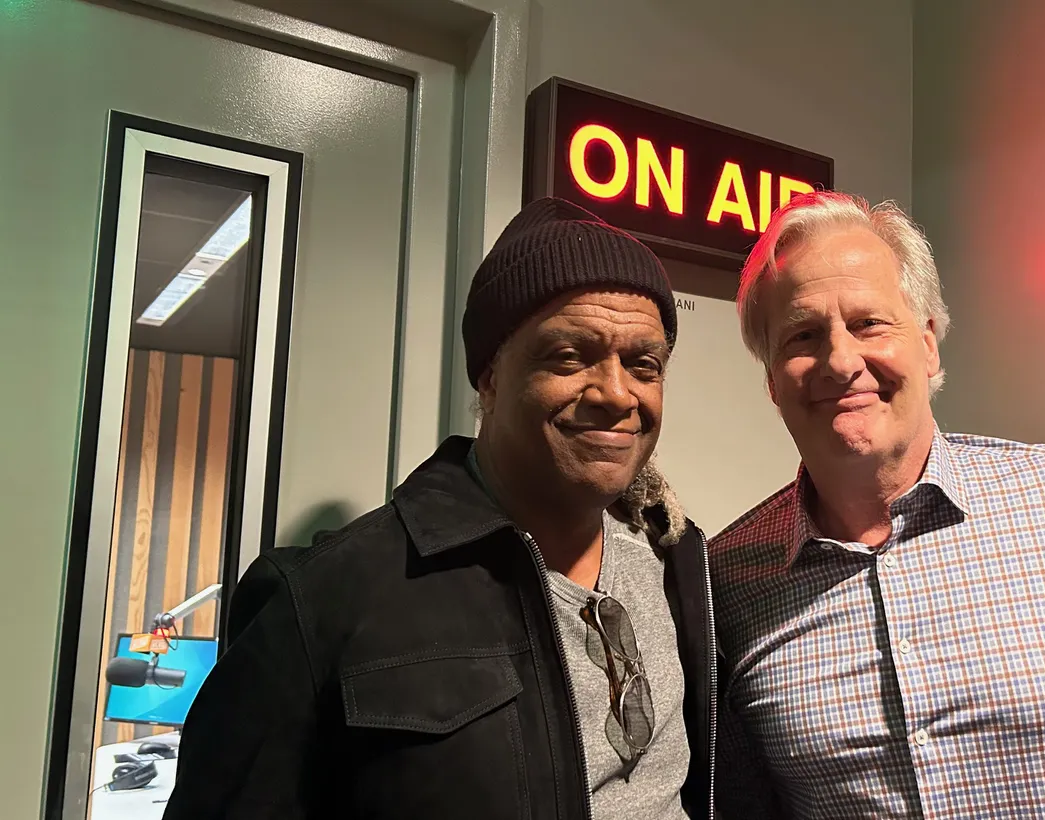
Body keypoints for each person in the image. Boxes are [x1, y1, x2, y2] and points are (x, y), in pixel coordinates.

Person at [165, 197, 716, 820]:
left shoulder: (679, 561)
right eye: (569, 356)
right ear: (490, 377)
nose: (617, 393)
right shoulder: (319, 603)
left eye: (643, 364)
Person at [709, 190, 1045, 819]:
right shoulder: (724, 583)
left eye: (869, 323)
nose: (841, 361)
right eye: (803, 336)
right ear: (772, 381)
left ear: (928, 344)